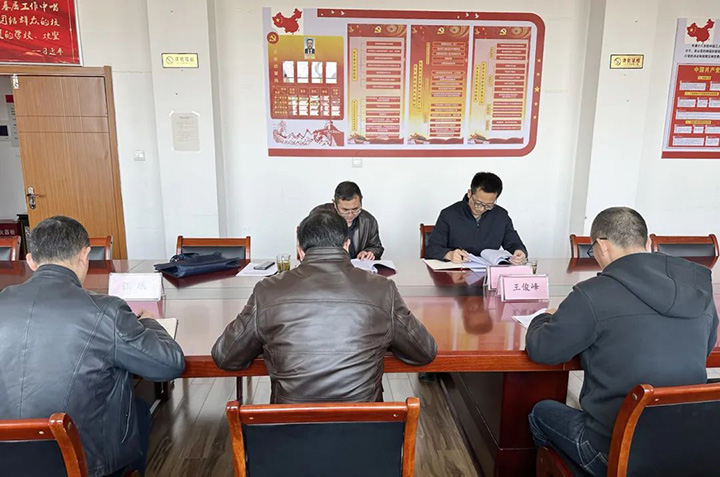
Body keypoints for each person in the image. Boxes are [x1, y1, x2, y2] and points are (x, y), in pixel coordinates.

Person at [526, 207, 718, 476]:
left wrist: (542, 317)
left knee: (540, 413)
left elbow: (542, 350)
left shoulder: (593, 294)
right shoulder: (698, 289)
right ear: (648, 243)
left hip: (615, 451)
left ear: (602, 246)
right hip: (691, 448)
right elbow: (706, 347)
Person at [0, 216, 185, 477]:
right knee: (140, 411)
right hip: (85, 465)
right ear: (85, 255)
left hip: (6, 462)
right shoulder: (106, 310)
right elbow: (169, 364)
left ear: (30, 260)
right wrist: (149, 323)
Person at [212, 211, 437, 403]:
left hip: (287, 433)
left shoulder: (267, 290)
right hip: (366, 431)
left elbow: (226, 356)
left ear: (300, 250)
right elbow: (424, 352)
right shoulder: (382, 288)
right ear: (346, 245)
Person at [425, 172, 527, 264]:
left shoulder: (501, 216)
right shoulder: (449, 214)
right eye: (478, 203)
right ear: (470, 193)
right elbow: (432, 248)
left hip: (488, 273)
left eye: (489, 205)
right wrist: (449, 254)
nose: (481, 209)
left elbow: (514, 243)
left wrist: (519, 252)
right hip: (457, 273)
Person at [311, 181, 384, 260]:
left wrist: (368, 252)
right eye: (345, 210)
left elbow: (376, 247)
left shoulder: (368, 221)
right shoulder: (318, 217)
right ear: (335, 204)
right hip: (328, 264)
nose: (350, 214)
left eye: (355, 209)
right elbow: (307, 246)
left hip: (356, 266)